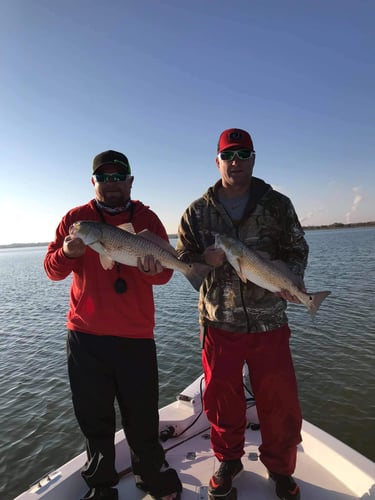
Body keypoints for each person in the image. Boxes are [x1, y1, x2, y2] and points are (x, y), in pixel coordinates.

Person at [176, 129, 308, 500]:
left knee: (279, 399)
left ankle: (281, 469)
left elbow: (297, 247)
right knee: (220, 398)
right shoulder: (197, 212)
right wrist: (205, 259)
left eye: (243, 154)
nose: (236, 161)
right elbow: (184, 262)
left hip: (270, 322)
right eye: (228, 154)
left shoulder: (277, 205)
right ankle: (228, 459)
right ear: (217, 160)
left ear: (253, 158)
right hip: (220, 323)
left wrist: (292, 280)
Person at [44, 150, 182, 500]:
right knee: (94, 418)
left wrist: (155, 271)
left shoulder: (147, 219)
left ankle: (151, 474)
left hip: (135, 336)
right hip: (86, 337)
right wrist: (68, 254)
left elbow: (164, 274)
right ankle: (101, 484)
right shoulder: (76, 220)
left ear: (130, 181)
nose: (111, 183)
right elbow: (51, 269)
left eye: (118, 176)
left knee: (142, 417)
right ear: (93, 183)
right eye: (103, 177)